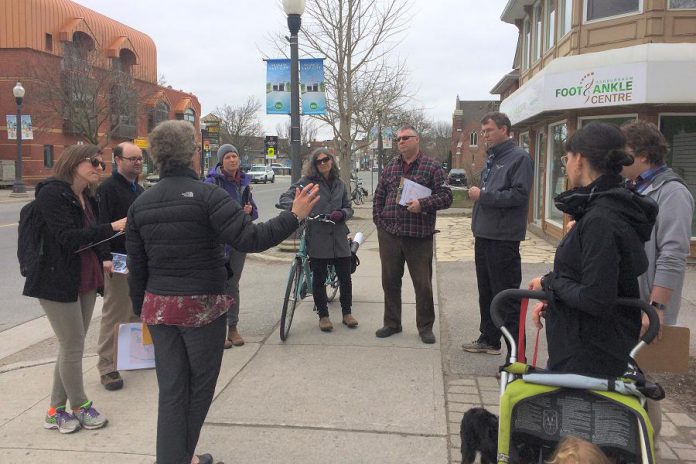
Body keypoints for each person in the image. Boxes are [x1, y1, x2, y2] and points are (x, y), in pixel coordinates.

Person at [126, 120, 319, 464]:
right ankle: (178, 457)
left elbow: (136, 269)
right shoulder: (207, 196)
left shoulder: (142, 203)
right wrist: (294, 216)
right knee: (199, 387)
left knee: (172, 390)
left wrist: (143, 311)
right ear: (191, 154)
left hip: (158, 309)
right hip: (201, 307)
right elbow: (251, 238)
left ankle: (178, 457)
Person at [529, 122, 657, 377]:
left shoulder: (602, 218)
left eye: (567, 157)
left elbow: (596, 297)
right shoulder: (606, 207)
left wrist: (550, 283)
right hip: (586, 343)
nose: (565, 164)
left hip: (589, 353)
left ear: (580, 160)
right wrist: (555, 298)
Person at [23, 144, 126, 433]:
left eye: (101, 164)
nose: (99, 168)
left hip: (84, 278)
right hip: (55, 280)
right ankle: (80, 405)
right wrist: (112, 227)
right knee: (73, 344)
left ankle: (55, 411)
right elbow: (68, 238)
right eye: (94, 162)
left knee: (71, 345)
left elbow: (93, 239)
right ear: (73, 162)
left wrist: (106, 256)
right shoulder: (52, 193)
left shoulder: (88, 196)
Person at [621, 120, 694, 440]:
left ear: (642, 155)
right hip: (629, 300)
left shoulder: (672, 192)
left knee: (641, 376)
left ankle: (648, 445)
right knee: (627, 373)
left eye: (623, 154)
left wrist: (657, 307)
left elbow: (674, 255)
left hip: (648, 304)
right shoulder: (636, 187)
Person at [372, 124, 452, 344]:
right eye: (398, 139)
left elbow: (446, 197)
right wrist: (379, 222)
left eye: (406, 138)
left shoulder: (432, 167)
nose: (401, 142)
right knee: (389, 281)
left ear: (417, 140)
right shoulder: (391, 167)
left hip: (418, 236)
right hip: (389, 234)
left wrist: (423, 204)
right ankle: (392, 323)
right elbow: (379, 195)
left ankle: (425, 327)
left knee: (422, 284)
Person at [462, 111, 533, 357]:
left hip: (504, 239)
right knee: (487, 293)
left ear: (504, 130)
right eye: (482, 132)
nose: (484, 136)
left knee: (506, 297)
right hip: (484, 235)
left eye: (488, 131)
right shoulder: (492, 159)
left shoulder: (519, 158)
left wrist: (483, 196)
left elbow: (519, 195)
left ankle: (517, 356)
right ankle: (489, 338)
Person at [279, 148, 357, 331]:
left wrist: (343, 213)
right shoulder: (306, 183)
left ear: (332, 161)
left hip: (338, 235)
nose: (323, 163)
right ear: (314, 165)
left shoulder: (339, 184)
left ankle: (347, 313)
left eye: (326, 159)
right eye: (319, 161)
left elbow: (349, 207)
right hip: (318, 235)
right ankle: (323, 316)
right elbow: (286, 198)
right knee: (319, 277)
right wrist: (298, 208)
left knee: (345, 276)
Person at [95, 142, 145, 391]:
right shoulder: (107, 189)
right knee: (114, 313)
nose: (138, 162)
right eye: (132, 158)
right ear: (117, 160)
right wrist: (105, 257)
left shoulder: (139, 189)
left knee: (136, 311)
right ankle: (107, 366)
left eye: (140, 158)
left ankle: (133, 357)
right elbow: (101, 225)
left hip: (138, 260)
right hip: (116, 259)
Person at [204, 144, 258, 348]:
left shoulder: (244, 183)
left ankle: (232, 328)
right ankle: (216, 331)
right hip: (217, 242)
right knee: (215, 285)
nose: (232, 160)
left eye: (235, 156)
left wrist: (248, 212)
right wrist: (236, 213)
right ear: (221, 161)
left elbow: (255, 213)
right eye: (227, 157)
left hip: (237, 241)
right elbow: (206, 212)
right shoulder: (211, 183)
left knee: (232, 285)